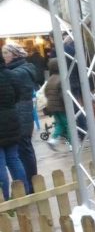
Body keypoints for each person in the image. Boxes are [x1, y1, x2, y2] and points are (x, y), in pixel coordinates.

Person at [3, 42, 39, 191]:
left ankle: (31, 185)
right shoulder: (22, 69)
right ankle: (32, 183)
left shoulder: (19, 72)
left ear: (14, 54)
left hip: (20, 113)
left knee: (23, 151)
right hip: (22, 113)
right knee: (24, 150)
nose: (3, 56)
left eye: (5, 53)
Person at [0, 61, 28, 200]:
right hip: (11, 120)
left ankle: (3, 198)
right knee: (13, 158)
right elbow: (18, 95)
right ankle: (23, 191)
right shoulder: (10, 75)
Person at [43, 58, 70, 150]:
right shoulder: (61, 79)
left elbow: (46, 93)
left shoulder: (50, 79)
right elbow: (63, 95)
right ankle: (72, 144)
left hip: (52, 106)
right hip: (61, 106)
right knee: (68, 124)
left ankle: (53, 140)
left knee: (59, 124)